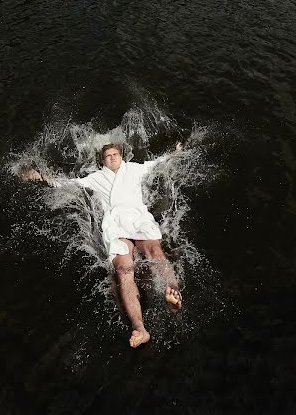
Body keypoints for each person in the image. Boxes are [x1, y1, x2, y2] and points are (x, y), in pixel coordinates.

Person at [20, 142, 183, 348]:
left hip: (138, 218)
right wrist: (40, 177)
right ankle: (140, 327)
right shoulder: (95, 178)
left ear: (122, 156)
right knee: (124, 270)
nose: (112, 157)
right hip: (115, 226)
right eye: (108, 156)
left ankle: (174, 293)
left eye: (115, 154)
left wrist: (176, 152)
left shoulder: (135, 168)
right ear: (102, 161)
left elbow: (159, 162)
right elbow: (66, 183)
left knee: (155, 251)